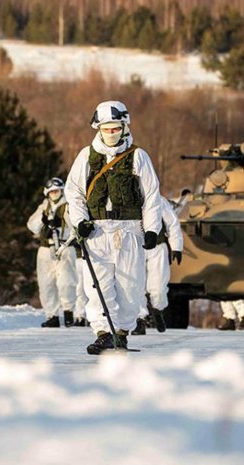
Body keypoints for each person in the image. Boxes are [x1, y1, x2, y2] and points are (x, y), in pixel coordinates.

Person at [64, 100, 162, 354]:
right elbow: (73, 192)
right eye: (106, 128)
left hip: (128, 230)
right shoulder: (86, 156)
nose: (111, 133)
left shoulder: (139, 157)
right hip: (96, 230)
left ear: (124, 126)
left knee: (130, 286)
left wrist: (152, 229)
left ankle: (122, 331)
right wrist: (80, 222)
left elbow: (151, 195)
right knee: (97, 285)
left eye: (115, 128)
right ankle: (103, 333)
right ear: (98, 128)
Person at [27, 177, 77, 328]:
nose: (54, 194)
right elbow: (32, 226)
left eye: (57, 191)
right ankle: (52, 315)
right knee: (46, 283)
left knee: (66, 282)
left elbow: (76, 226)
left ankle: (69, 312)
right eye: (52, 191)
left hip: (64, 247)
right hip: (45, 248)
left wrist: (63, 226)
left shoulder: (69, 205)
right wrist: (43, 220)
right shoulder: (44, 206)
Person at [134, 194, 182, 335]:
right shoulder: (128, 198)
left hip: (157, 247)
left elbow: (172, 223)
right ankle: (140, 319)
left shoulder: (158, 200)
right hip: (136, 247)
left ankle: (158, 309)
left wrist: (176, 247)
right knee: (137, 285)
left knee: (158, 287)